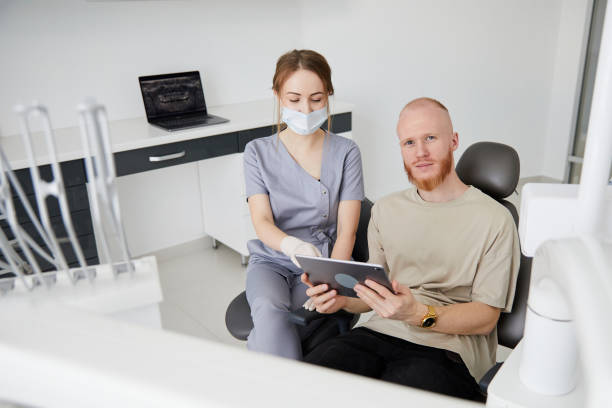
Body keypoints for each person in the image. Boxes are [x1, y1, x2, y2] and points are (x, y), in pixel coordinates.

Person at [303, 97, 520, 401]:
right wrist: (340, 301)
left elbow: (485, 317)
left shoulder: (495, 220)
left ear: (453, 141)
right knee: (309, 383)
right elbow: (373, 296)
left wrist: (419, 314)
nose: (420, 152)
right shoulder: (386, 209)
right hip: (377, 333)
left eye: (430, 138)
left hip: (448, 350)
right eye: (409, 142)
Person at [243, 49, 364, 359]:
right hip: (272, 259)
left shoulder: (347, 152)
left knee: (295, 324)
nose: (306, 109)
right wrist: (292, 247)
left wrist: (329, 278)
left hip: (320, 263)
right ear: (278, 96)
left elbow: (348, 232)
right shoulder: (256, 152)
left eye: (316, 99)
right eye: (294, 99)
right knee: (269, 310)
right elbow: (262, 221)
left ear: (328, 96)